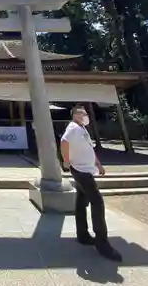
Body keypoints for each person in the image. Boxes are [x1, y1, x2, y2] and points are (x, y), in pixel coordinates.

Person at [61, 105, 122, 262]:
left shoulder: (82, 129)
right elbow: (64, 141)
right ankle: (102, 243)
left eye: (86, 113)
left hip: (86, 170)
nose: (85, 115)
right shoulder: (73, 128)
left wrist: (98, 164)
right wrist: (66, 161)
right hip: (80, 171)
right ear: (75, 115)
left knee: (82, 201)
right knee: (97, 202)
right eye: (82, 113)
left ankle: (83, 235)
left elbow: (89, 148)